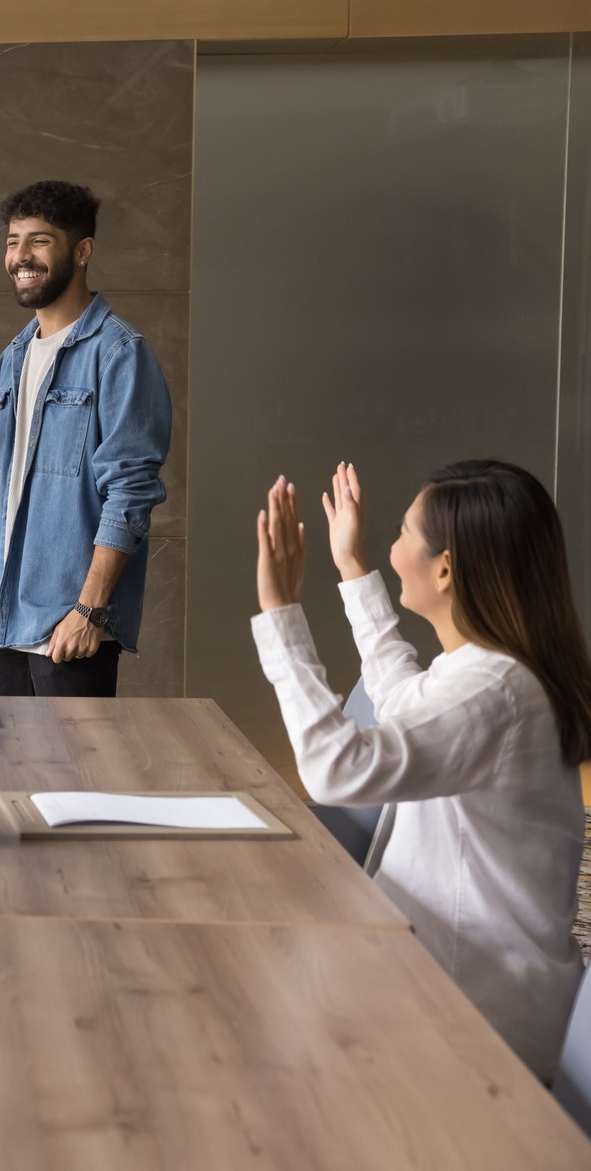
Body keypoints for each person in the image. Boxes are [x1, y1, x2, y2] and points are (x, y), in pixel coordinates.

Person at [253, 460, 589, 1079]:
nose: (392, 548)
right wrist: (352, 565)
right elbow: (402, 699)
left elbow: (337, 769)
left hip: (475, 1032)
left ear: (445, 568)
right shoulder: (493, 673)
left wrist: (280, 614)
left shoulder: (497, 691)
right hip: (455, 999)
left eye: (402, 533)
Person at [0, 180, 171, 697]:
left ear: (82, 251)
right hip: (5, 620)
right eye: (13, 242)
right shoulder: (15, 355)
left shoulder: (119, 352)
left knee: (72, 756)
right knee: (11, 753)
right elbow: (6, 484)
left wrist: (89, 611)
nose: (20, 257)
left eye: (39, 241)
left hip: (70, 628)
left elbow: (130, 494)